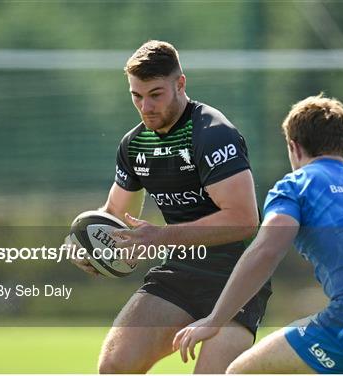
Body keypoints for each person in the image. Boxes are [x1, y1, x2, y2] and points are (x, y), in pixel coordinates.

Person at [173, 93, 343, 374]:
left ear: (294, 148)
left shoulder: (297, 183)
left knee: (240, 372)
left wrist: (214, 319)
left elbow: (266, 250)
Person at [69, 40, 271, 374]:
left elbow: (244, 220)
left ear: (180, 84)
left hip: (238, 278)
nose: (145, 106)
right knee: (115, 366)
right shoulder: (135, 145)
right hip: (181, 273)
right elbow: (114, 214)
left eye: (156, 94)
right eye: (136, 95)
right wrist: (85, 245)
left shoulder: (212, 133)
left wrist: (162, 236)